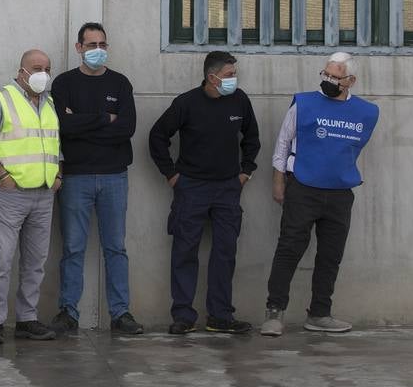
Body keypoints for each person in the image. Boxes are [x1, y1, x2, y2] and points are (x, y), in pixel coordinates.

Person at [261, 53, 379, 337]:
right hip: (303, 188)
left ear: (350, 81)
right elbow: (282, 144)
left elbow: (353, 150)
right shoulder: (304, 104)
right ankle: (274, 311)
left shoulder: (367, 112)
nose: (327, 81)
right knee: (289, 249)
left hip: (340, 192)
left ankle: (320, 313)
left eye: (335, 77)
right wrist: (279, 183)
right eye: (325, 74)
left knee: (330, 256)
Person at [149, 50, 260, 335]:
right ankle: (183, 315)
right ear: (211, 77)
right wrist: (172, 175)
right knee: (185, 250)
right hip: (192, 188)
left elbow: (252, 139)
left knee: (225, 251)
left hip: (228, 189)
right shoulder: (186, 104)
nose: (233, 80)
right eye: (229, 75)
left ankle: (220, 315)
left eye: (234, 74)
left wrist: (245, 172)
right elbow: (158, 136)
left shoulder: (240, 100)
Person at [48, 23, 144, 336]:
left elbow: (127, 128)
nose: (97, 50)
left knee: (115, 247)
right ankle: (68, 311)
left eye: (102, 43)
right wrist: (105, 119)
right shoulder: (64, 83)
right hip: (75, 177)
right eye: (91, 44)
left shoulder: (120, 83)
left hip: (114, 177)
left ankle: (121, 313)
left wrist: (83, 122)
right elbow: (63, 126)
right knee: (73, 247)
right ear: (79, 48)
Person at [0, 49, 63, 344]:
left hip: (43, 194)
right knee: (1, 260)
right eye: (37, 67)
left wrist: (58, 175)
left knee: (35, 261)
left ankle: (27, 319)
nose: (43, 73)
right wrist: (3, 176)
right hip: (11, 194)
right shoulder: (2, 99)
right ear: (21, 70)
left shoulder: (48, 103)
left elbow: (55, 145)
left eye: (47, 68)